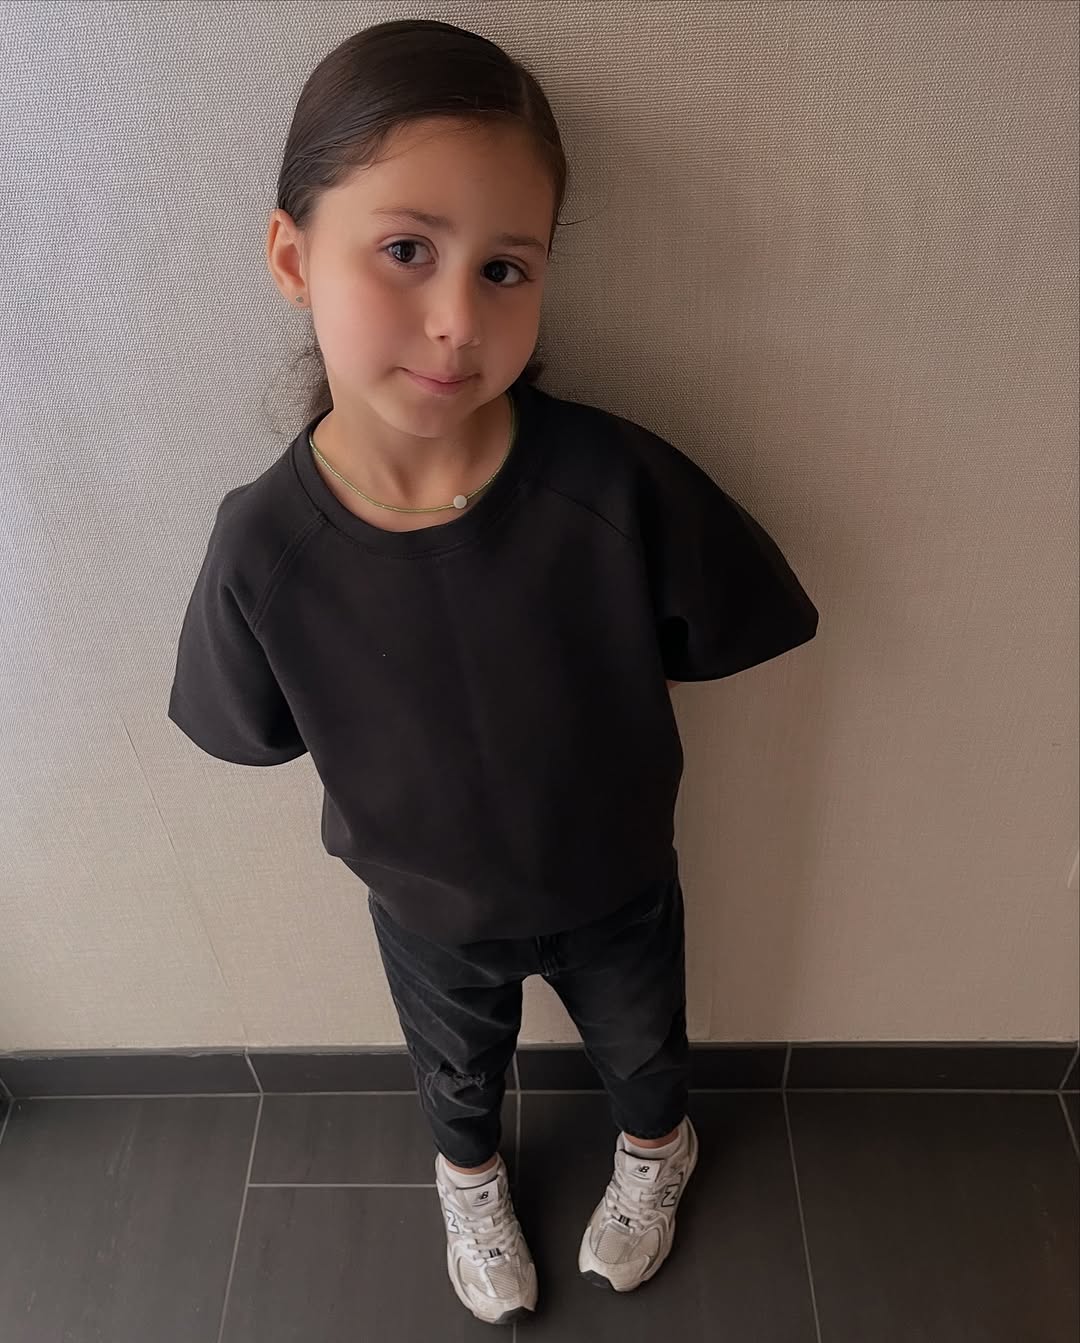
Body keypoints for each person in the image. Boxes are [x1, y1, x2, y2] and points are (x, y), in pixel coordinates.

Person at [167, 18, 819, 1330]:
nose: (458, 320)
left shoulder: (610, 485)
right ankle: (467, 1180)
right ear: (293, 257)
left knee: (645, 1046)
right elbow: (245, 725)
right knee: (454, 1070)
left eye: (506, 267)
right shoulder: (267, 545)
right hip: (424, 905)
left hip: (616, 881)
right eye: (406, 249)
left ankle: (658, 1150)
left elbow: (735, 617)